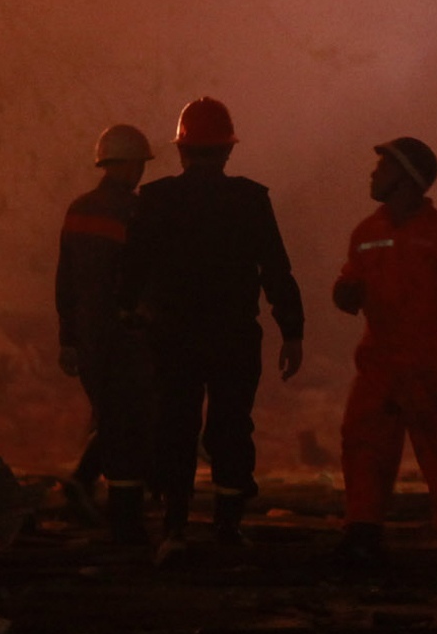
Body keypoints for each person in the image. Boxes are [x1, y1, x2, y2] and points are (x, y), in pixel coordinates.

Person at [122, 97, 304, 560]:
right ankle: (227, 527)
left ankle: (175, 528)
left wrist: (127, 318)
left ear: (182, 150)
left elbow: (131, 270)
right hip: (232, 335)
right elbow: (276, 270)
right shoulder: (250, 200)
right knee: (231, 428)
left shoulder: (157, 200)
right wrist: (292, 331)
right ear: (227, 151)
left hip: (173, 336)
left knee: (175, 426)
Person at [333, 137, 437, 562]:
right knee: (364, 442)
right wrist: (347, 291)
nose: (373, 173)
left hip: (430, 363)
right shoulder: (366, 232)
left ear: (406, 178)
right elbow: (354, 278)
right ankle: (363, 525)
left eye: (383, 166)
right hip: (381, 360)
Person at [55, 122, 156, 544]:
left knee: (113, 418)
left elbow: (66, 280)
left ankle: (87, 486)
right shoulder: (137, 213)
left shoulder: (78, 209)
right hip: (126, 336)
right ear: (132, 165)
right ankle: (124, 521)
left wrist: (68, 338)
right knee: (130, 423)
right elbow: (146, 280)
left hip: (90, 336)